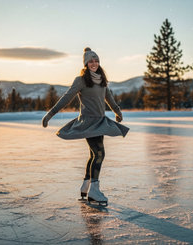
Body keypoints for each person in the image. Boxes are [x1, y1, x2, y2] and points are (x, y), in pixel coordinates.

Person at [42, 47, 129, 206]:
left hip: (100, 121)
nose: (94, 63)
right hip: (88, 123)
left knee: (94, 154)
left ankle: (86, 185)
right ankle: (94, 191)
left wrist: (117, 111)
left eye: (96, 61)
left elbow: (108, 97)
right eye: (91, 61)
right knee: (99, 153)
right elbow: (66, 98)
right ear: (86, 63)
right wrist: (50, 114)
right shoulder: (81, 80)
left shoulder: (101, 79)